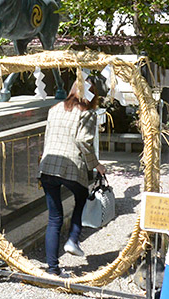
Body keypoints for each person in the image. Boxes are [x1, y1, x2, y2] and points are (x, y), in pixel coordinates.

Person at [38, 78, 107, 275]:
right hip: (69, 167)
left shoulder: (54, 108)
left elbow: (48, 135)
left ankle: (52, 269)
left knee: (54, 218)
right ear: (92, 95)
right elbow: (83, 141)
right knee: (82, 195)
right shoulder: (87, 113)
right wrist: (96, 165)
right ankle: (73, 239)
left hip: (48, 166)